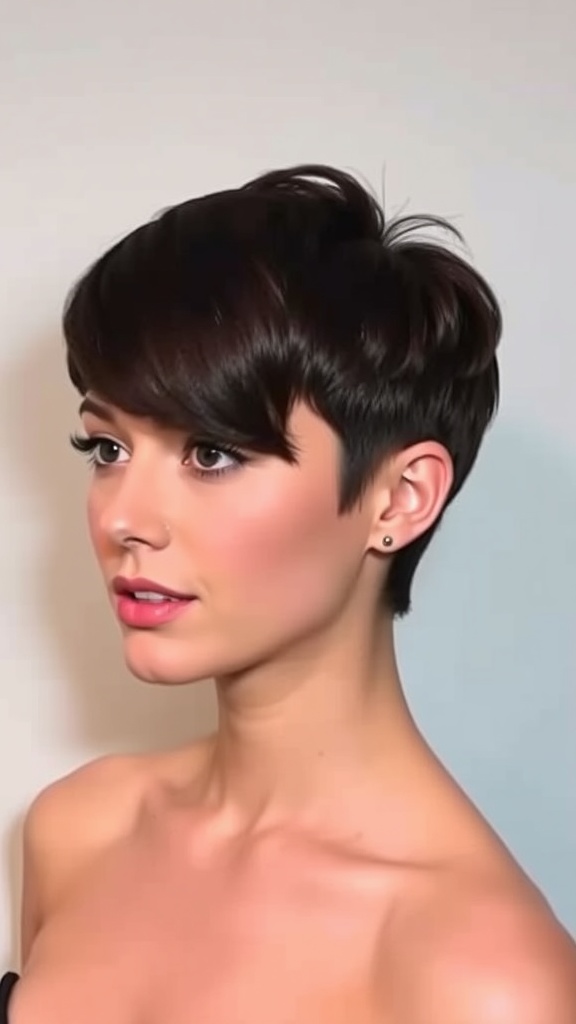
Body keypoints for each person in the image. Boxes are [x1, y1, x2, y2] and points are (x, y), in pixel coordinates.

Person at [3, 164, 575, 1023]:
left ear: (399, 498)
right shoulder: (76, 830)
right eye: (108, 448)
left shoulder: (484, 979)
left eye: (210, 454)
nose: (122, 517)